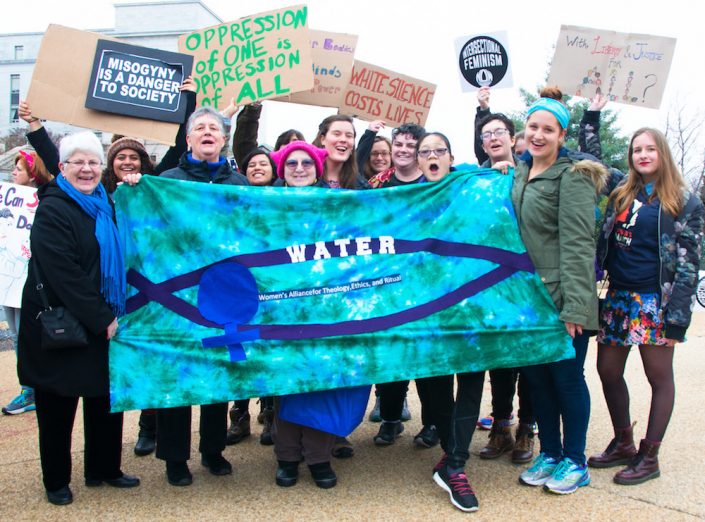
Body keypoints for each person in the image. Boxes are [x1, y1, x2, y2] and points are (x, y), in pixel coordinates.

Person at [17, 131, 140, 505]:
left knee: (103, 400)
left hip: (102, 322)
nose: (86, 169)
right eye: (78, 162)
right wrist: (102, 317)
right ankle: (56, 480)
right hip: (62, 324)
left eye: (93, 162)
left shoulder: (107, 203)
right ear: (62, 167)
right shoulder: (54, 207)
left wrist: (137, 184)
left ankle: (104, 468)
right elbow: (62, 272)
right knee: (57, 407)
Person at [588, 128, 704, 485]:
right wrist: (592, 117)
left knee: (659, 378)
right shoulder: (624, 189)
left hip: (656, 301)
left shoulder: (684, 201)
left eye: (650, 149)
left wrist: (677, 321)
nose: (642, 155)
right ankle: (623, 442)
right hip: (619, 297)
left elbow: (688, 263)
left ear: (662, 153)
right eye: (636, 149)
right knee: (607, 370)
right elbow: (592, 161)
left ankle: (649, 456)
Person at [512, 88, 607, 495]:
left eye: (547, 129)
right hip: (526, 299)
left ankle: (575, 460)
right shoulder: (519, 172)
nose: (538, 134)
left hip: (562, 298)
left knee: (567, 379)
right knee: (537, 381)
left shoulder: (574, 176)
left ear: (562, 135)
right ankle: (549, 451)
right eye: (533, 126)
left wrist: (576, 308)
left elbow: (578, 245)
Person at [157, 107, 247, 487]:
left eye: (214, 128)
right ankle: (175, 458)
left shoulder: (240, 184)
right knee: (179, 373)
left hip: (224, 290)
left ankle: (213, 450)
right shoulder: (165, 183)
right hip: (178, 292)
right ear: (189, 139)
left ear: (223, 139)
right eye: (200, 128)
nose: (208, 132)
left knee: (217, 371)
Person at [267, 140, 339, 488]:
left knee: (321, 382)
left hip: (325, 306)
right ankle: (287, 457)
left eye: (306, 163)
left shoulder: (337, 204)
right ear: (282, 170)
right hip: (280, 306)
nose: (299, 168)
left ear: (317, 169)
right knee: (287, 382)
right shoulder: (265, 205)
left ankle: (319, 457)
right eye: (292, 163)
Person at [472, 113, 536, 465]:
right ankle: (501, 425)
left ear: (514, 139)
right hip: (492, 283)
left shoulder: (532, 174)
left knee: (528, 361)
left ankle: (527, 428)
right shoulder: (476, 179)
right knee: (499, 361)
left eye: (499, 132)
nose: (492, 137)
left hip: (528, 281)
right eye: (486, 134)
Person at [2, 151, 53, 416]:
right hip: (8, 279)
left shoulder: (44, 201)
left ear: (33, 173)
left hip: (28, 281)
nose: (14, 173)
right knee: (14, 333)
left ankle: (31, 388)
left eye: (19, 169)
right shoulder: (8, 202)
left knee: (25, 335)